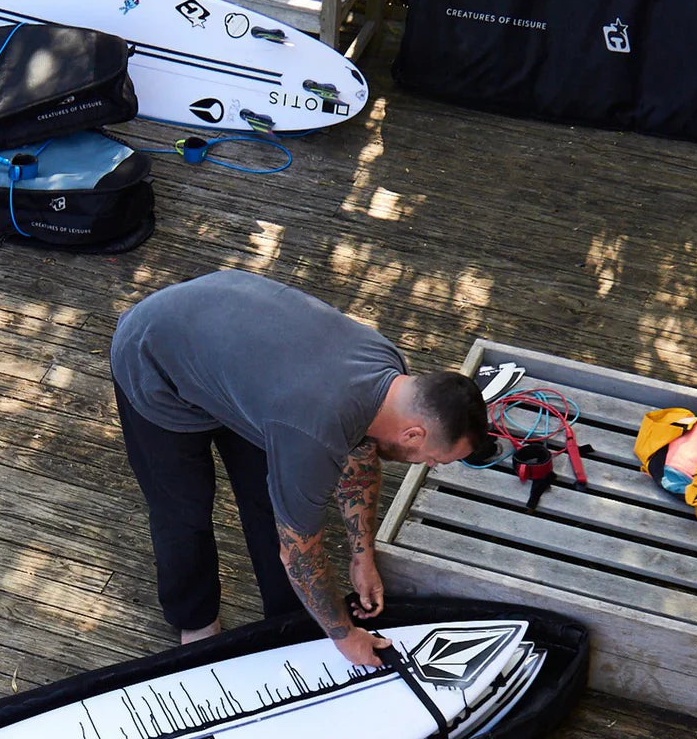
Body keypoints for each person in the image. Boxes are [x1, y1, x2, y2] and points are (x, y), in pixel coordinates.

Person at [110, 269, 490, 667]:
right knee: (183, 510)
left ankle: (287, 624)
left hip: (244, 366)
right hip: (154, 359)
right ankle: (196, 619)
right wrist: (345, 636)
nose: (428, 464)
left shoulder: (392, 381)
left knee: (270, 503)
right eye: (434, 457)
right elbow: (299, 552)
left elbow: (361, 458)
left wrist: (362, 556)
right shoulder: (314, 432)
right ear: (413, 434)